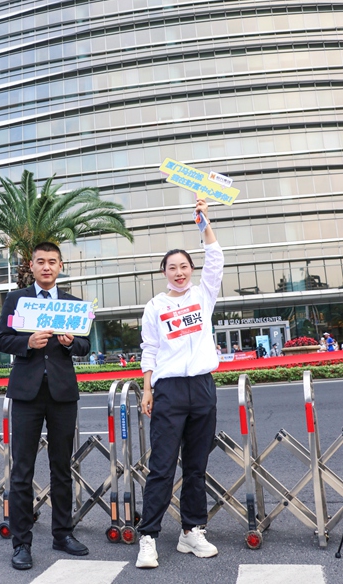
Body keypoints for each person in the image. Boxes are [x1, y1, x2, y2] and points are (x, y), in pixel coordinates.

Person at [136, 199, 223, 569]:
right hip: (169, 390)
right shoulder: (155, 306)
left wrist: (204, 224)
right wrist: (147, 389)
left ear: (192, 270)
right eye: (172, 267)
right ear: (164, 273)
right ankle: (148, 537)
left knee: (196, 467)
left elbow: (216, 258)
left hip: (202, 387)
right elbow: (150, 349)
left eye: (184, 266)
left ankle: (192, 531)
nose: (179, 272)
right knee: (162, 466)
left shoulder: (204, 296)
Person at [0, 242, 91, 571]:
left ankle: (62, 534)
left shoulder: (73, 304)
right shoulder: (16, 300)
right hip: (26, 394)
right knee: (22, 470)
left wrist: (71, 343)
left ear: (60, 266)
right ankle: (21, 542)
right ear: (32, 266)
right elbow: (2, 339)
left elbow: (86, 344)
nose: (46, 267)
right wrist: (27, 342)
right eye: (41, 261)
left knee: (61, 468)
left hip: (62, 393)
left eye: (52, 261)